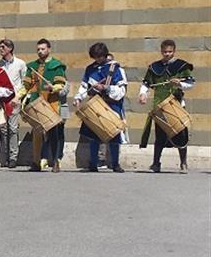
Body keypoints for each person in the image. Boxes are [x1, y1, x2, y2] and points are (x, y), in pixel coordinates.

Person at [139, 39, 195, 172]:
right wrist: (143, 94)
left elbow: (191, 82)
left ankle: (183, 163)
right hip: (159, 106)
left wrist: (180, 84)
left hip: (176, 104)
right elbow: (146, 83)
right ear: (161, 51)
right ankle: (156, 163)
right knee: (160, 136)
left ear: (174, 51)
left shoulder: (181, 66)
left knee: (181, 134)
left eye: (170, 52)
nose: (167, 54)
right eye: (165, 52)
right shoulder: (154, 67)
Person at [73, 43, 126, 173]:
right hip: (95, 105)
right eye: (95, 57)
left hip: (111, 105)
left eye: (99, 57)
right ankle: (93, 163)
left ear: (104, 55)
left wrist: (106, 88)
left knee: (113, 135)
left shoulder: (115, 68)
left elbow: (122, 90)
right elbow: (84, 86)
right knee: (93, 134)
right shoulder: (90, 69)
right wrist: (78, 97)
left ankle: (115, 163)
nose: (97, 60)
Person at [21, 39, 67, 172]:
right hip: (36, 102)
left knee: (53, 133)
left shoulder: (56, 65)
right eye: (38, 49)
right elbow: (26, 86)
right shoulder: (32, 67)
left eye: (43, 49)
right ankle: (36, 162)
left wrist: (53, 87)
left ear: (49, 49)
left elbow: (61, 84)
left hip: (51, 102)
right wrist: (18, 97)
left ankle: (56, 161)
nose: (40, 51)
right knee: (37, 133)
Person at [0, 39, 27, 168]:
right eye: (0, 47)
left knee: (13, 128)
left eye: (3, 47)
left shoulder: (20, 63)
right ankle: (5, 156)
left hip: (14, 99)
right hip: (2, 99)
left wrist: (21, 97)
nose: (1, 49)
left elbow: (25, 81)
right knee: (3, 129)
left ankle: (13, 157)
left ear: (10, 48)